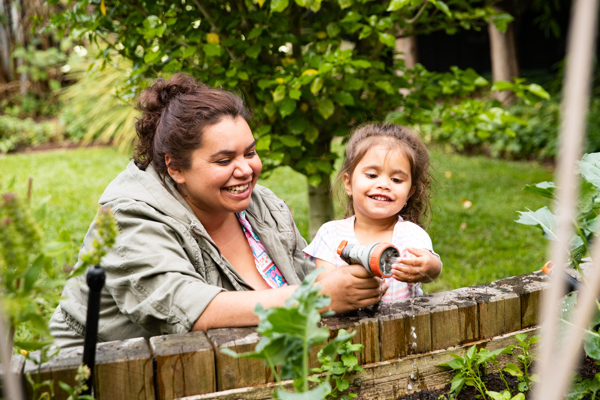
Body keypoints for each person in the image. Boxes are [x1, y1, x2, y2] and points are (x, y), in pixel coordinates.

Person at [49, 73, 387, 348]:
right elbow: (184, 308)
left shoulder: (261, 206)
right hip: (101, 377)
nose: (245, 170)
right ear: (176, 168)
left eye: (250, 153)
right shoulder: (131, 217)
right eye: (224, 160)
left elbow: (304, 278)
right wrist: (316, 298)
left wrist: (353, 285)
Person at [304, 123, 442, 301]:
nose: (384, 184)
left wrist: (430, 268)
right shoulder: (330, 235)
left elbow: (431, 267)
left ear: (409, 193)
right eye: (371, 175)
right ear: (348, 184)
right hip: (343, 327)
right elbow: (324, 287)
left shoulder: (410, 235)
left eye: (396, 179)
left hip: (402, 326)